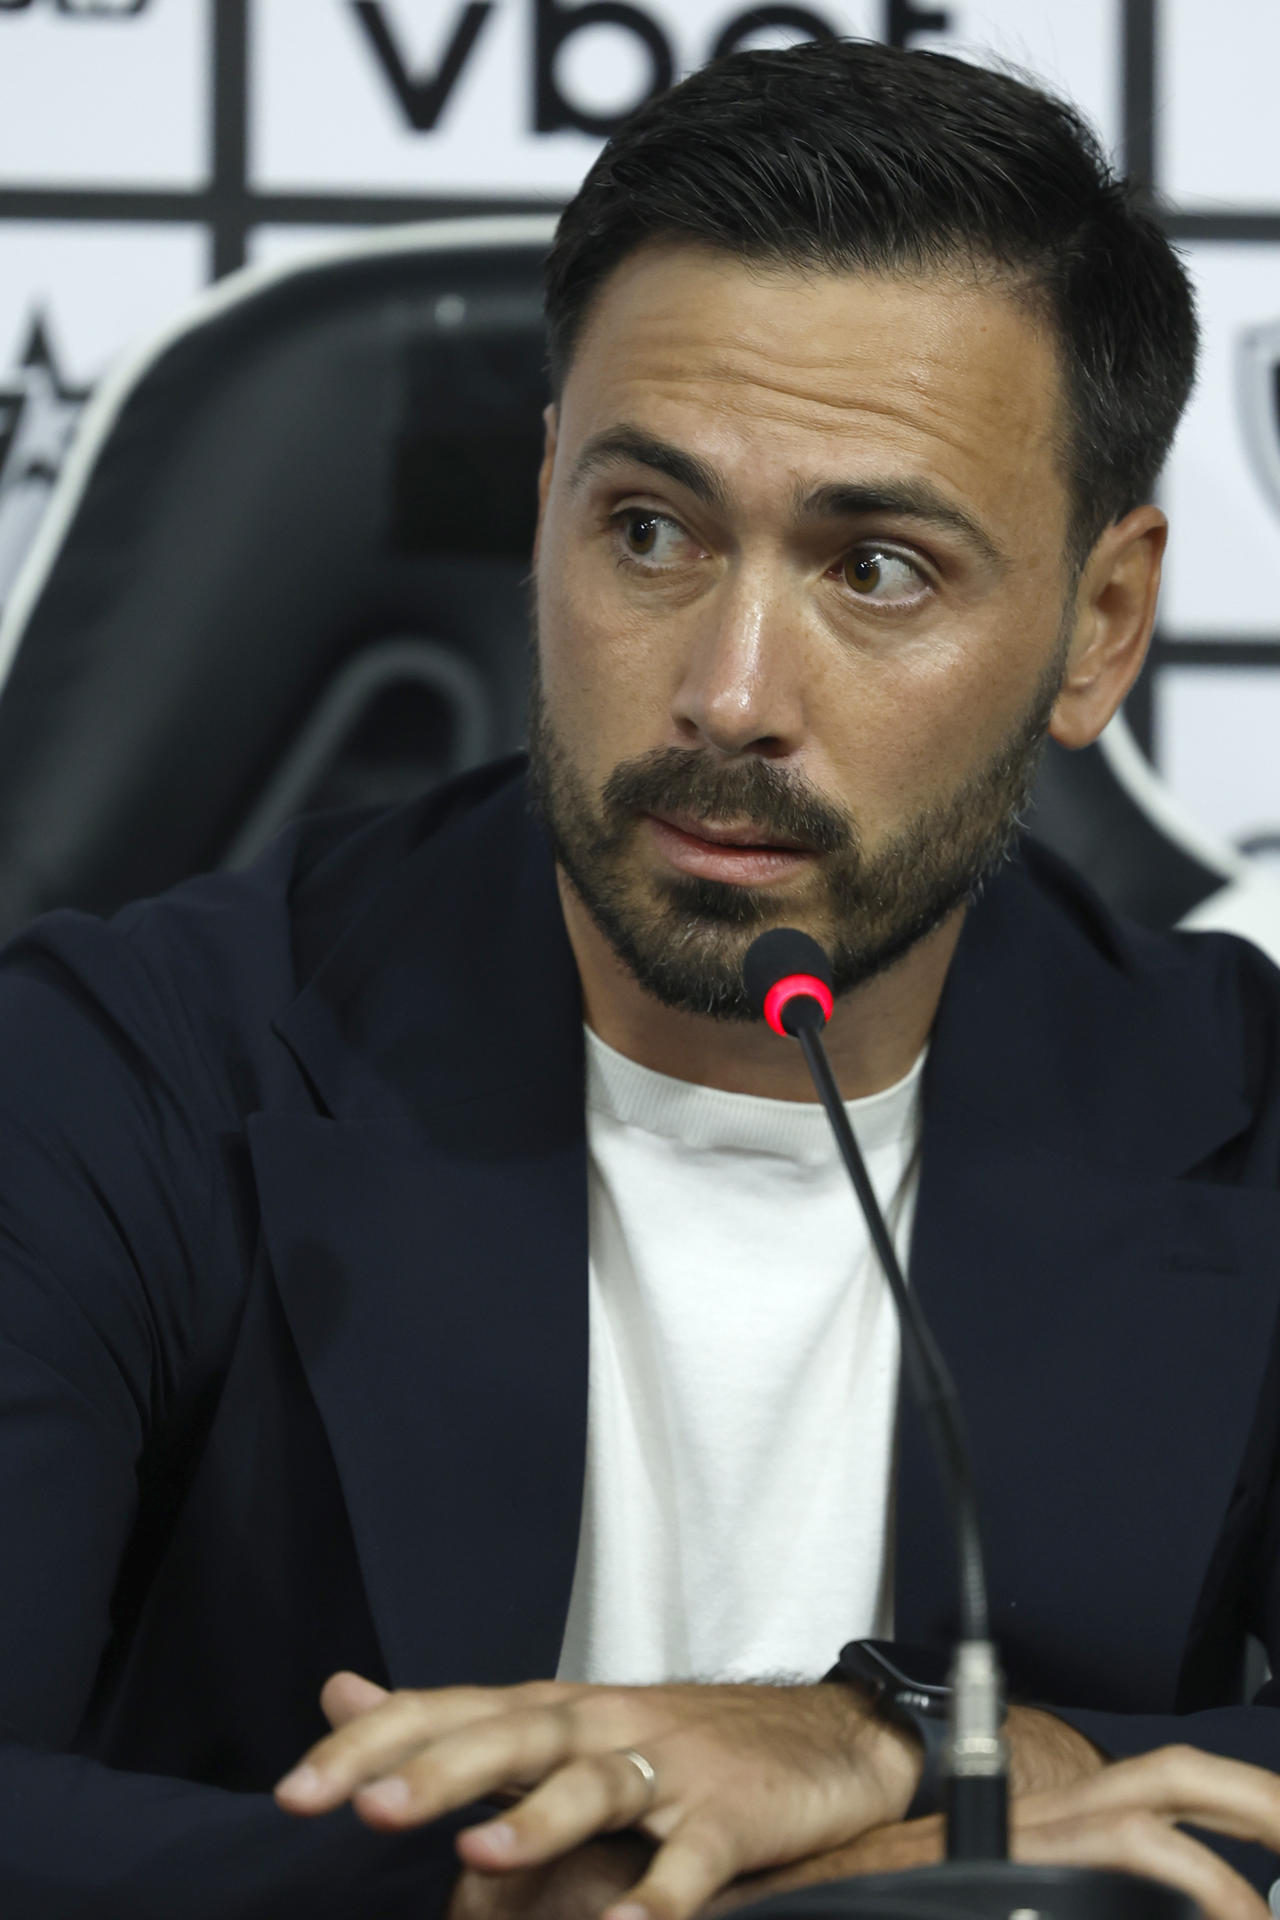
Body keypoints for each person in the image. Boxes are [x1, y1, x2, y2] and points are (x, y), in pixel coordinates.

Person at [3, 33, 1280, 1920]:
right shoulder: (117, 1074)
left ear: (1099, 628)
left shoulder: (1242, 1120)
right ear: (544, 511)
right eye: (652, 533)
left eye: (881, 570)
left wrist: (892, 1741)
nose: (731, 694)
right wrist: (539, 1898)